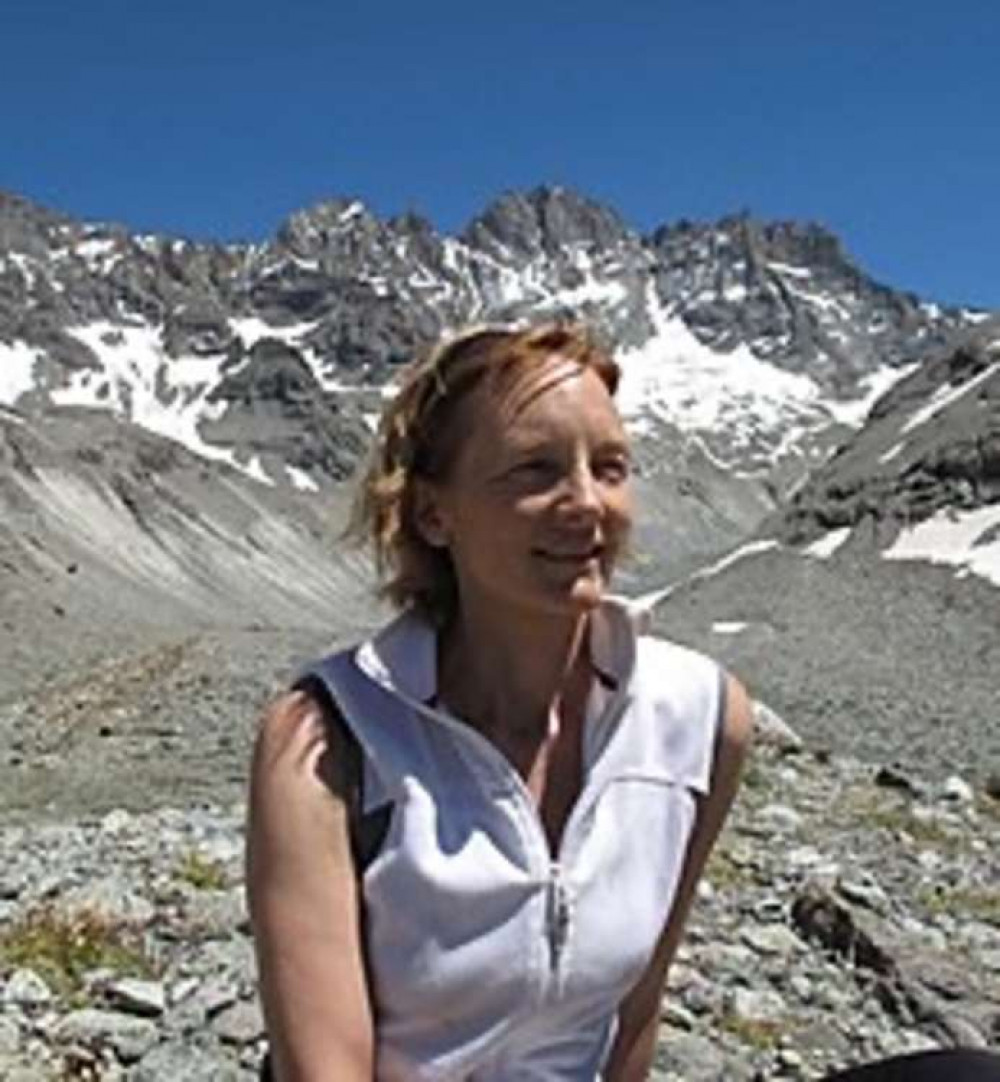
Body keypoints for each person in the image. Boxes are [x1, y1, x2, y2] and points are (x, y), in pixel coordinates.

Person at [245, 323, 1000, 1081]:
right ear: (435, 513)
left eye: (610, 468)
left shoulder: (700, 717)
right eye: (535, 470)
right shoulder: (330, 736)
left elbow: (632, 1016)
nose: (587, 503)